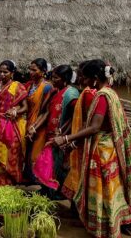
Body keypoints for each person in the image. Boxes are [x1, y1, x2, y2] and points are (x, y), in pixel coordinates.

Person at [51, 60, 131, 238]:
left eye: (85, 77)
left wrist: (66, 138)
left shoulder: (101, 97)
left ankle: (104, 228)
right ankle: (123, 222)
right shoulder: (112, 93)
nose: (82, 80)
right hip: (110, 148)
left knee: (102, 191)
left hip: (101, 151)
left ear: (95, 79)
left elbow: (94, 127)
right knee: (114, 189)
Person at [32, 65, 79, 199]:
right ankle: (47, 190)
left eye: (56, 78)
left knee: (59, 166)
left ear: (65, 79)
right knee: (48, 164)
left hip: (62, 137)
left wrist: (64, 133)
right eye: (52, 77)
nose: (53, 80)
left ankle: (56, 193)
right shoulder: (56, 91)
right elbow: (47, 111)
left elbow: (74, 117)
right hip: (50, 133)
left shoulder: (71, 93)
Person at [62, 61, 96, 201]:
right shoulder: (89, 93)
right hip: (84, 140)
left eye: (82, 76)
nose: (79, 79)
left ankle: (78, 211)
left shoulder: (88, 94)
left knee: (80, 176)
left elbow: (86, 123)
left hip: (83, 141)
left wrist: (72, 142)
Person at [24, 58, 54, 183]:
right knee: (27, 152)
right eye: (30, 69)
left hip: (39, 125)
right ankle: (29, 178)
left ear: (43, 71)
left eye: (34, 70)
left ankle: (40, 182)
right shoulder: (29, 85)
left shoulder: (47, 87)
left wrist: (35, 127)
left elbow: (46, 111)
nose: (31, 72)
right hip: (28, 122)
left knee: (37, 154)